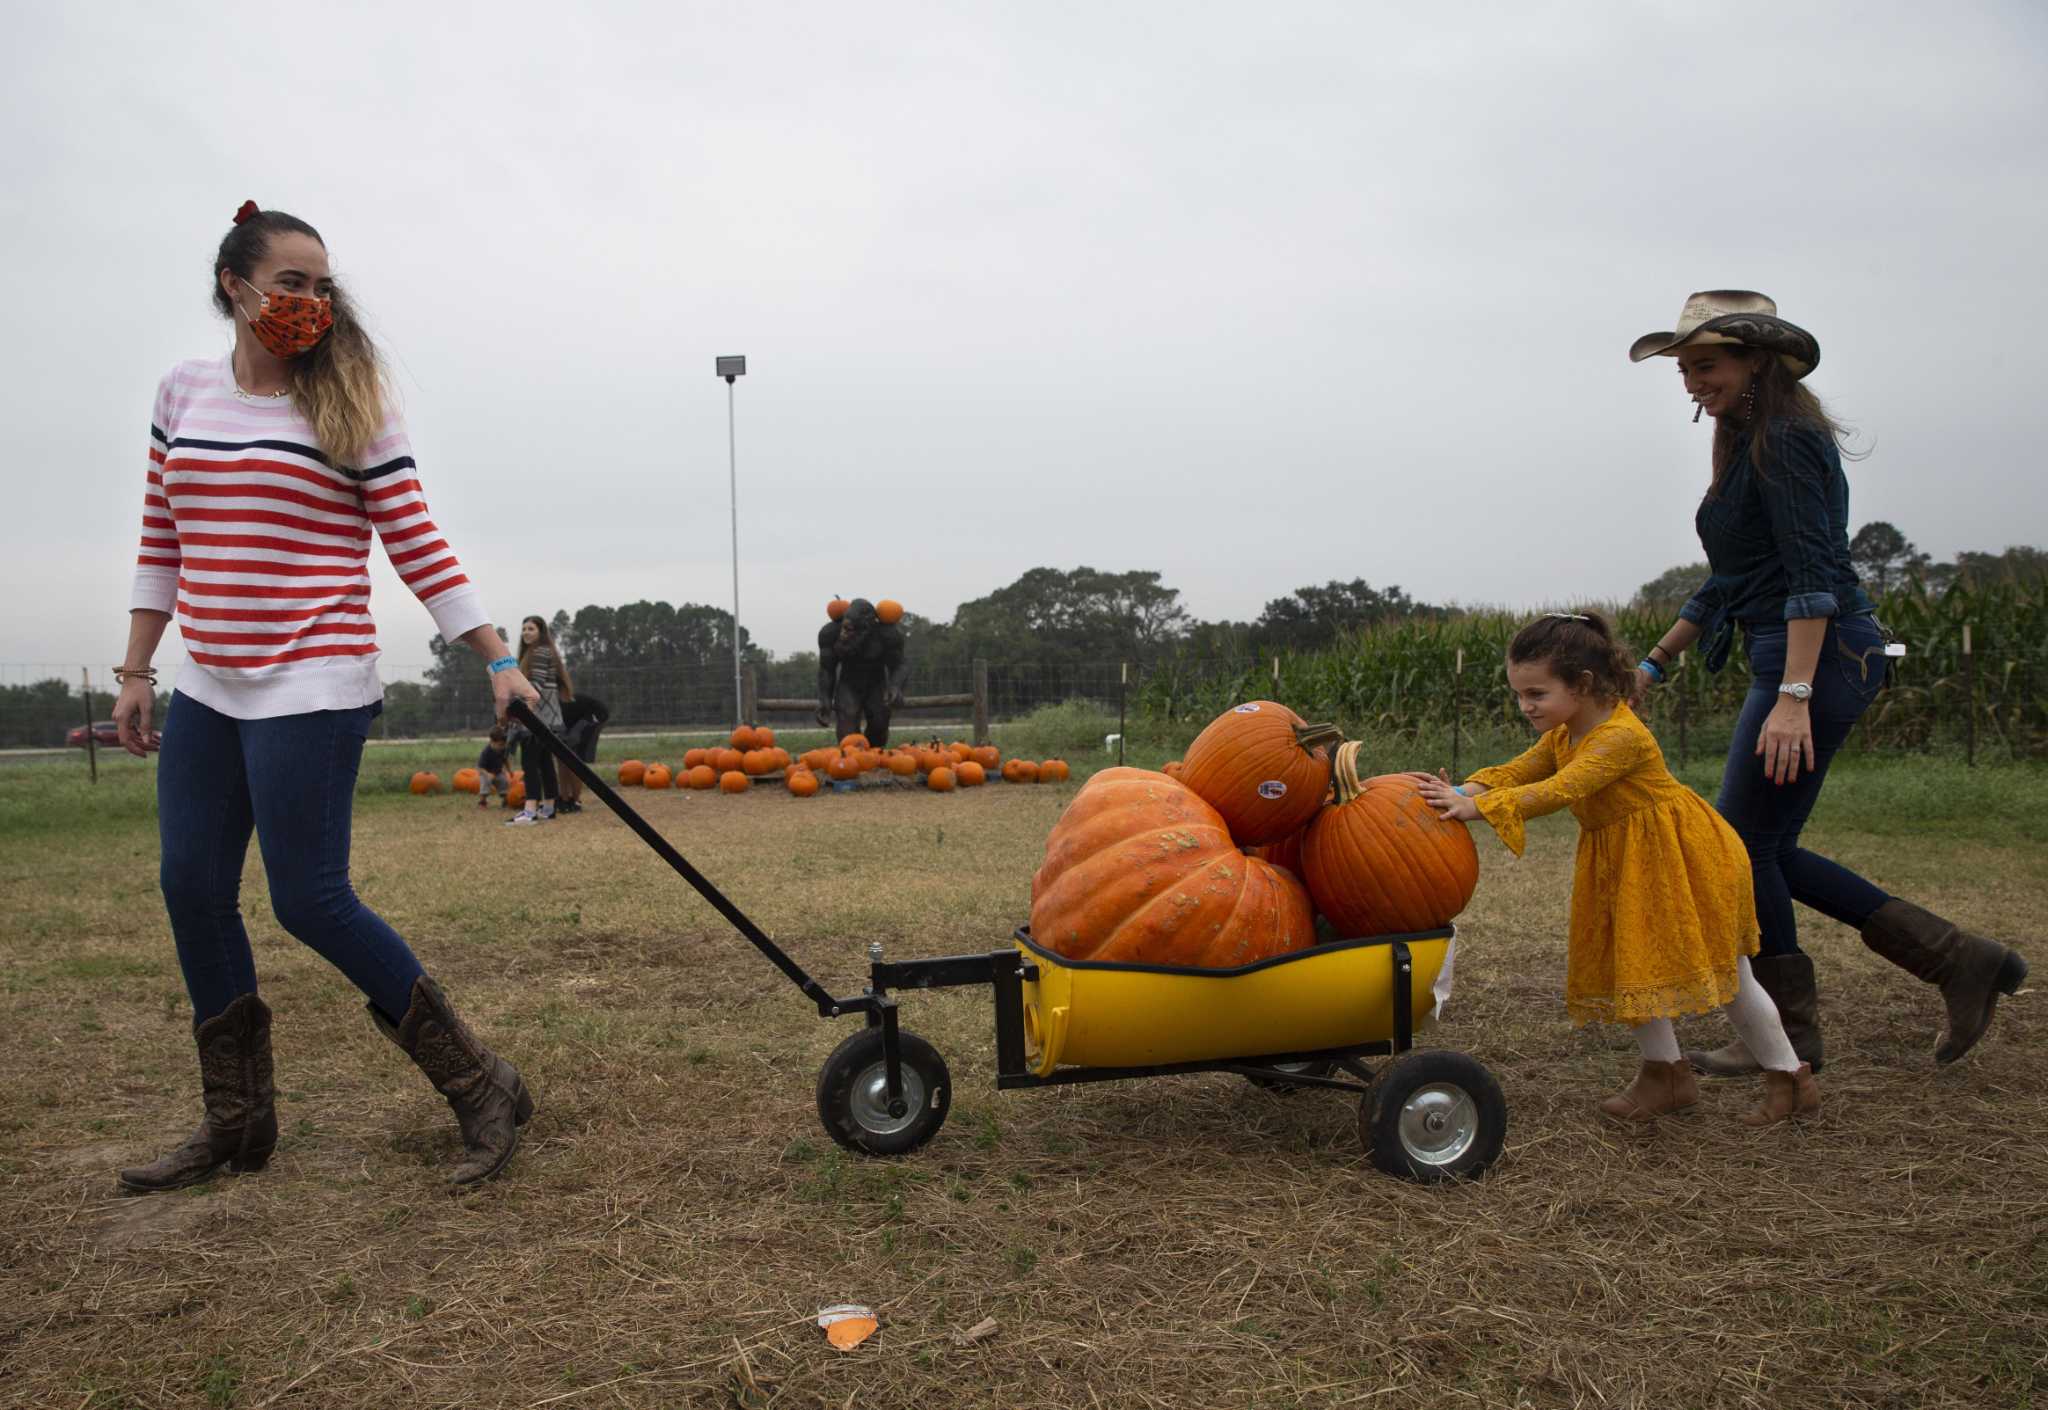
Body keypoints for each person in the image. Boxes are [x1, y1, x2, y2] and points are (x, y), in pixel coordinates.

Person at [110, 200, 537, 1191]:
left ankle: (480, 1084)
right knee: (191, 886)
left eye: (319, 285)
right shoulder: (182, 393)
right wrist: (137, 671)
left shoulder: (349, 400)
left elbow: (415, 539)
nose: (308, 301)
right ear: (235, 283)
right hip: (210, 681)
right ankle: (236, 1123)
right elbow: (161, 542)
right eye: (289, 282)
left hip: (314, 675)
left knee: (308, 898)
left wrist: (493, 653)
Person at [1627, 291, 2026, 1073]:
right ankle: (1957, 960)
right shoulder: (1748, 442)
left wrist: (1794, 696)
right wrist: (1656, 659)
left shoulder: (1788, 441)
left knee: (1745, 845)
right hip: (1793, 651)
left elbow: (1811, 576)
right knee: (1762, 844)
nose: (1690, 382)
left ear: (1755, 362)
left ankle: (1792, 1038)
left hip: (1822, 654)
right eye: (1684, 369)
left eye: (1704, 364)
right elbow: (1734, 576)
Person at [1414, 613, 1817, 1125]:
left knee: (1731, 976)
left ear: (1582, 684)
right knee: (1631, 962)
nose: (1525, 706)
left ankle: (1791, 1079)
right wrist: (1463, 791)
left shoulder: (1619, 736)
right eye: (1519, 694)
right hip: (1626, 859)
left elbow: (1563, 788)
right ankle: (1666, 1075)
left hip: (1681, 856)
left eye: (1536, 694)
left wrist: (1479, 809)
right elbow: (1521, 771)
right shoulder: (1565, 731)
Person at [816, 598, 909, 745]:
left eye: (849, 630)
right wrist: (825, 698)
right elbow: (827, 669)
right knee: (848, 733)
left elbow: (900, 665)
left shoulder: (886, 635)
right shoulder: (831, 633)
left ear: (865, 628)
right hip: (849, 684)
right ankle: (853, 759)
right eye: (843, 628)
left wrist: (895, 686)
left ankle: (874, 758)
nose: (843, 634)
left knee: (879, 725)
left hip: (876, 683)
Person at [507, 615, 569, 825]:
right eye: (524, 628)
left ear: (541, 632)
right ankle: (549, 807)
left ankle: (530, 810)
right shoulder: (541, 652)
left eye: (531, 629)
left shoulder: (540, 652)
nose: (526, 632)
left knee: (530, 763)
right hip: (550, 719)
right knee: (545, 763)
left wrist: (525, 716)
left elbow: (536, 686)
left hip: (538, 718)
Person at [555, 691, 610, 813]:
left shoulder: (554, 708)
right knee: (561, 757)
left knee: (575, 760)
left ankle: (575, 800)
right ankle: (564, 798)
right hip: (574, 719)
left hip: (594, 714)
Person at [477, 726, 514, 808]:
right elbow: (480, 767)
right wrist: (488, 774)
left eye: (504, 745)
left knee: (504, 782)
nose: (502, 747)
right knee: (485, 785)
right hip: (486, 773)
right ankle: (482, 801)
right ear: (491, 742)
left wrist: (509, 770)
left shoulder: (503, 750)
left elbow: (505, 760)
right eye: (500, 745)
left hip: (498, 772)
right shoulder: (486, 752)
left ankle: (505, 800)